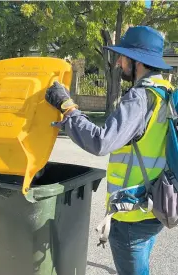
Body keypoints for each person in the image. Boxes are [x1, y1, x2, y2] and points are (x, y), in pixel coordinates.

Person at [45, 26, 173, 275]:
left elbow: (100, 142)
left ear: (137, 61)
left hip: (132, 216)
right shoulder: (165, 93)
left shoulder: (140, 98)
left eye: (123, 56)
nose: (118, 63)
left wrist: (67, 106)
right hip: (154, 204)